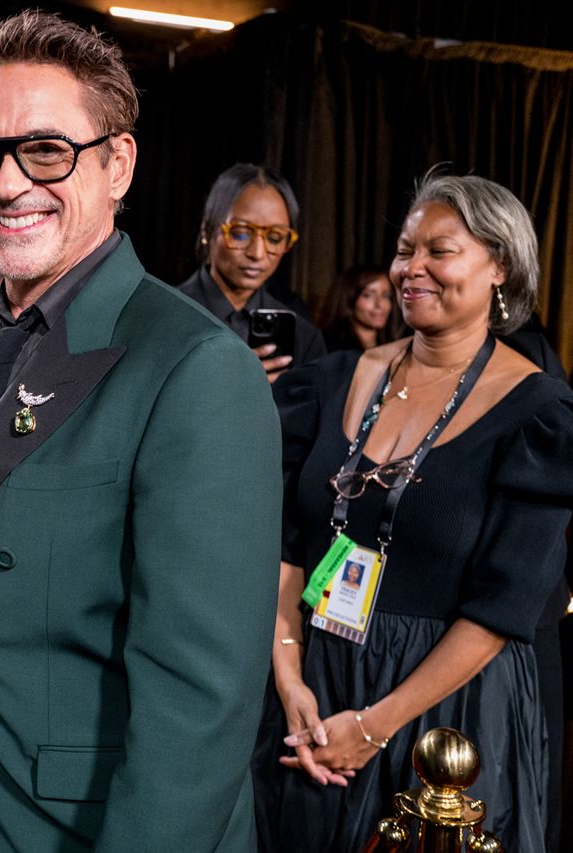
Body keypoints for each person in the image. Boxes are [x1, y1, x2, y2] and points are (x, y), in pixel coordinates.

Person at [0, 12, 281, 851]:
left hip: (91, 824)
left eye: (47, 151)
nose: (9, 183)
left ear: (117, 164)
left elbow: (200, 702)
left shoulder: (198, 367)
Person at [253, 172, 573, 852]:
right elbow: (285, 541)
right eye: (405, 248)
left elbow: (501, 608)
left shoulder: (537, 414)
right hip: (313, 686)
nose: (411, 267)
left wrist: (373, 726)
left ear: (501, 268)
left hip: (443, 713)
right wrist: (288, 676)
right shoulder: (333, 378)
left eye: (440, 250)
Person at [178, 163, 327, 381]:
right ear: (206, 231)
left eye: (275, 238)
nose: (257, 253)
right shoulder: (164, 315)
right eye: (240, 234)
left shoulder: (304, 338)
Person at [317, 264, 402, 352]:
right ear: (348, 299)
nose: (379, 305)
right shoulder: (328, 347)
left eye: (385, 296)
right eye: (368, 295)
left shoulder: (397, 348)